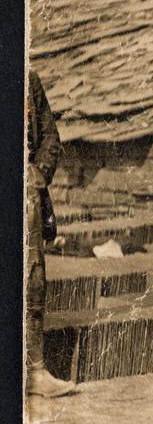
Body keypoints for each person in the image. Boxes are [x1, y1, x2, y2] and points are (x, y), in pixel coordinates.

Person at [26, 71, 75, 399]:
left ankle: (35, 373)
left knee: (33, 284)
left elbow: (49, 137)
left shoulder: (27, 78)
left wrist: (36, 175)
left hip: (23, 199)